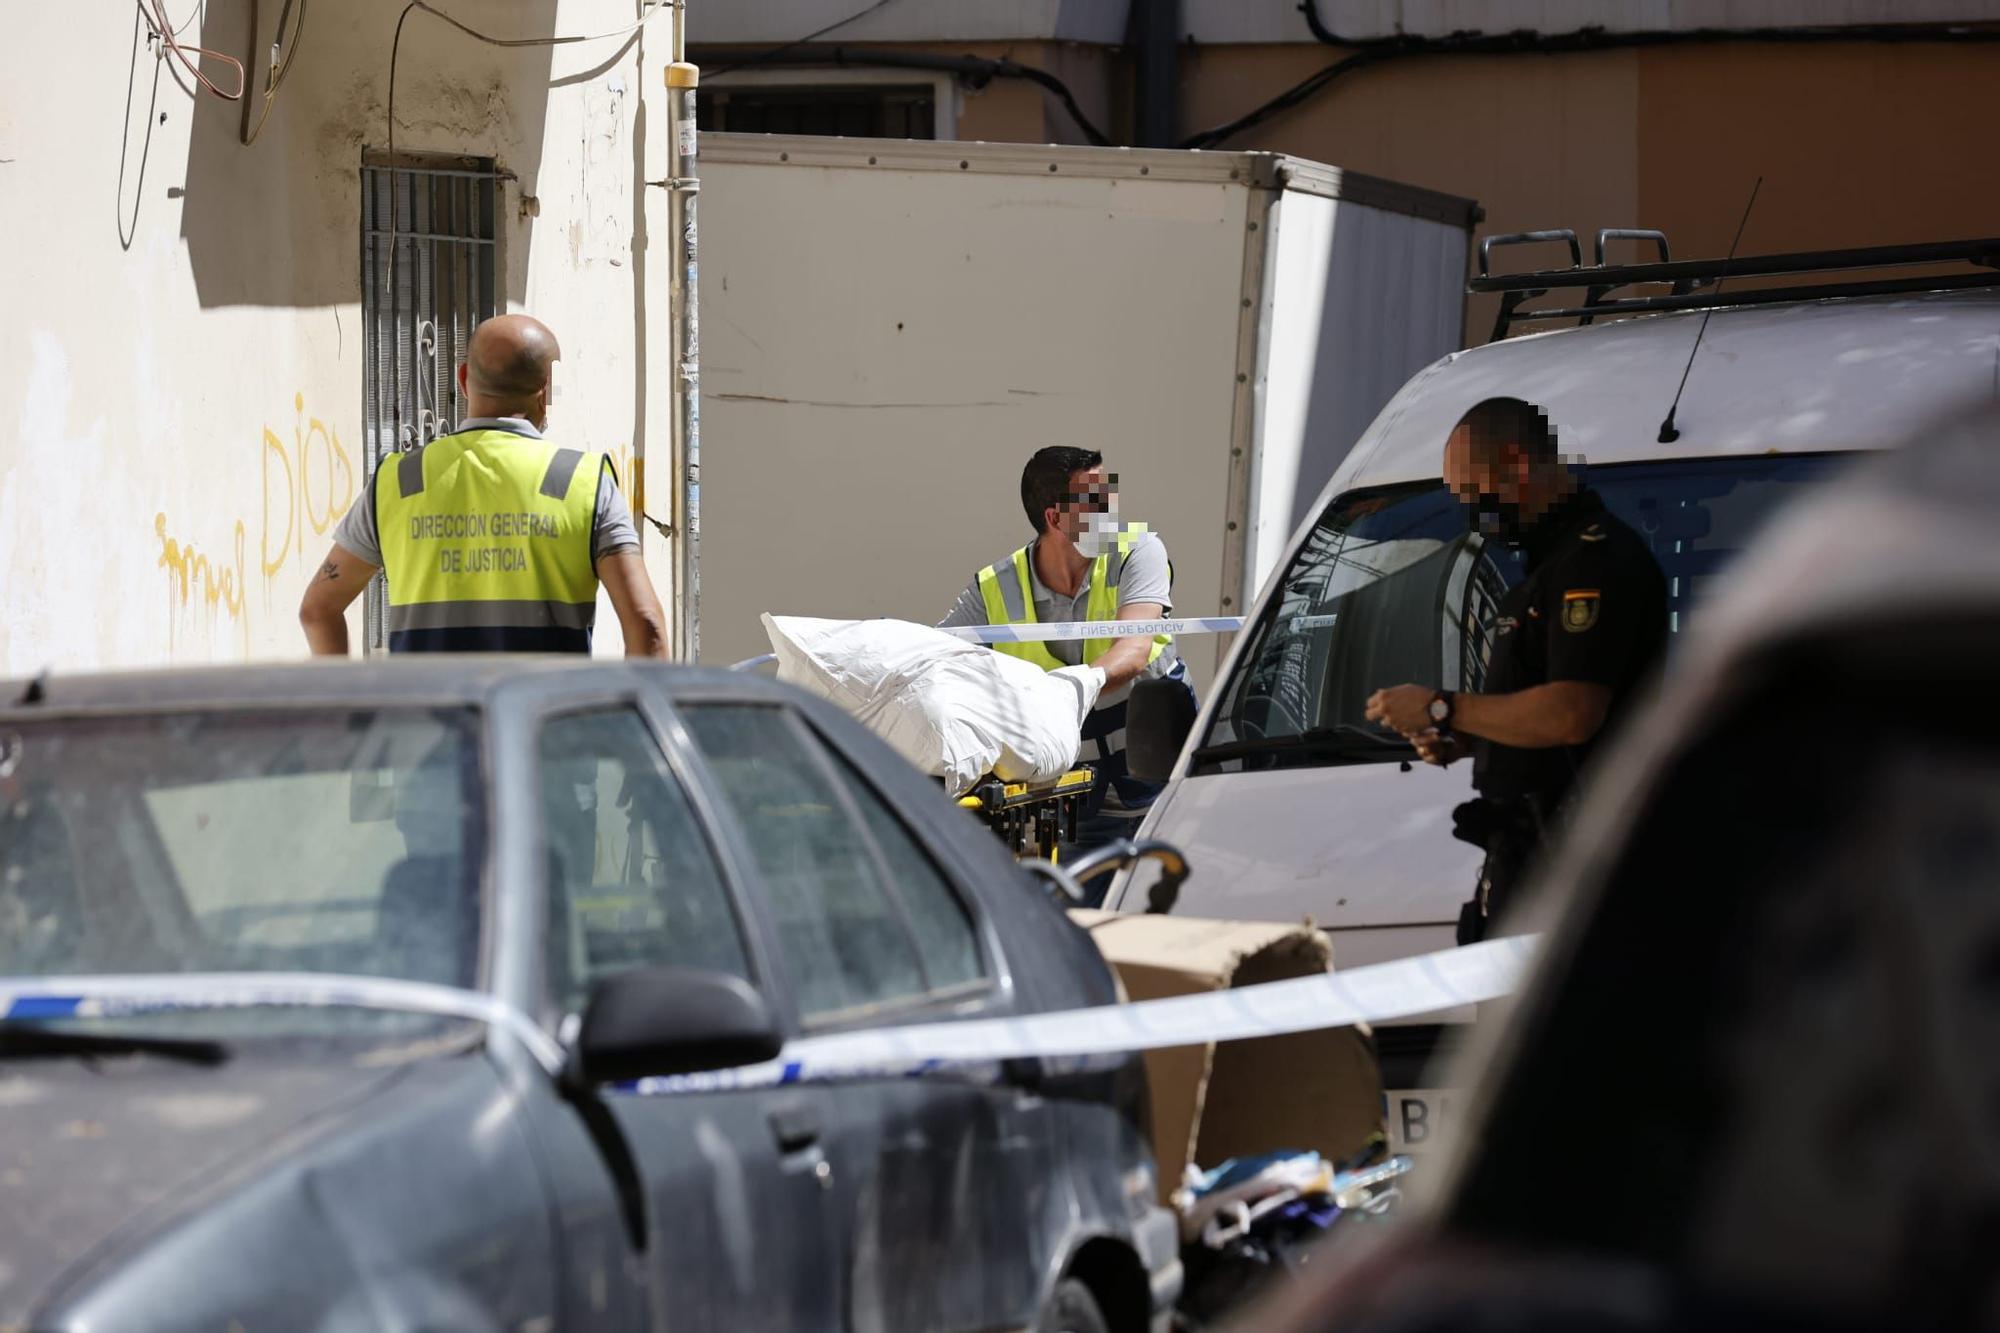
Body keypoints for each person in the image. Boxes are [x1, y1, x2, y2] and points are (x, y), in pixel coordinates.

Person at [1365, 396, 1666, 943]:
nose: (1472, 513)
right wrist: (1466, 738)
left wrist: (1441, 706)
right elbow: (1542, 720)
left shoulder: (1594, 564)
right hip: (1531, 860)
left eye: (1473, 493)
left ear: (1518, 464)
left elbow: (1573, 715)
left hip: (1579, 870)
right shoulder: (1541, 573)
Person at [300, 313, 669, 658]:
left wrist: (350, 715)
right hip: (540, 725)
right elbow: (646, 625)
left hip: (428, 724)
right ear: (544, 392)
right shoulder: (581, 482)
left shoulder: (400, 481)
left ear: (462, 379)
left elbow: (318, 610)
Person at [940, 446, 1196, 857]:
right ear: (1056, 518)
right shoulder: (993, 588)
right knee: (1077, 915)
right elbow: (939, 663)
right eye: (1096, 500)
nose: (1111, 508)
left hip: (1164, 786)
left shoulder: (1138, 550)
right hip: (1074, 800)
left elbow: (1133, 649)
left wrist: (1065, 689)